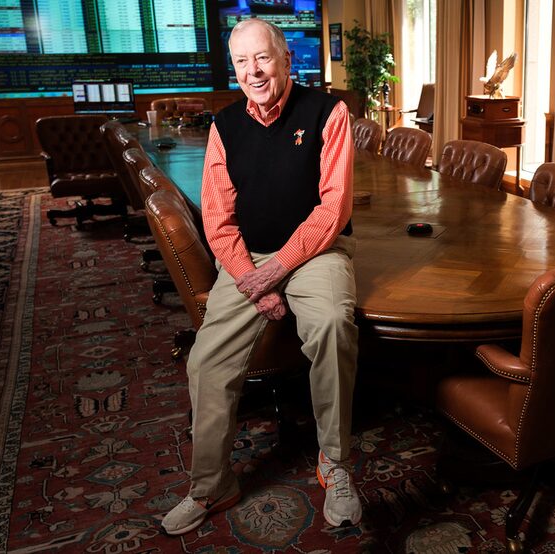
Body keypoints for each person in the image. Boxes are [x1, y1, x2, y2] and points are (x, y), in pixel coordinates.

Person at [160, 18, 361, 535]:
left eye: (263, 58)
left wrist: (278, 270)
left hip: (316, 252)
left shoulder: (327, 111)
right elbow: (217, 219)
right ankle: (211, 486)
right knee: (205, 363)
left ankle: (335, 464)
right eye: (242, 62)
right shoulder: (224, 126)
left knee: (335, 324)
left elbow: (333, 207)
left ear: (287, 59)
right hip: (248, 259)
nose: (253, 71)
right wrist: (255, 276)